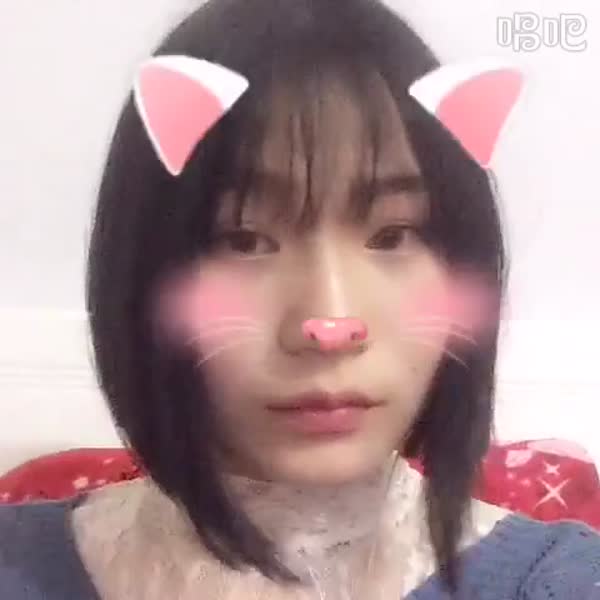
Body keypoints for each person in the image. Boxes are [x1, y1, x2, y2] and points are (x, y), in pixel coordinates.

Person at [2, 0, 600, 598]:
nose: (330, 323)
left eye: (393, 235)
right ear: (142, 275)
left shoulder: (562, 579)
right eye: (243, 239)